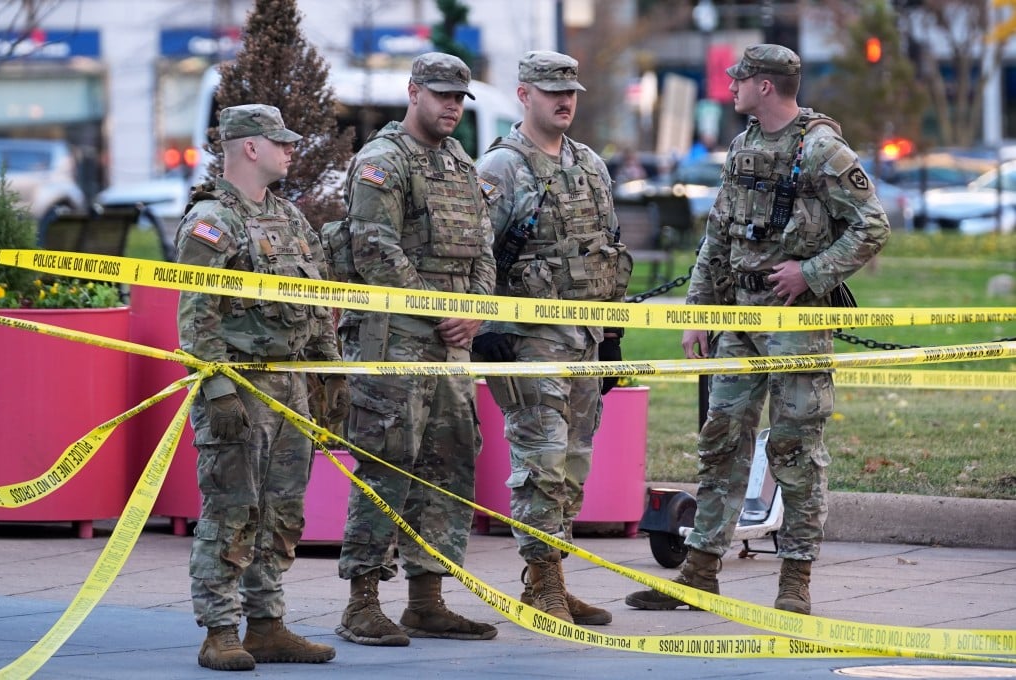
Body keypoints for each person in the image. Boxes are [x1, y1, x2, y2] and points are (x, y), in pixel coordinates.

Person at [625, 44, 890, 615]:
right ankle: (699, 573)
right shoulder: (744, 146)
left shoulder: (822, 149)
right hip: (739, 318)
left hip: (794, 321)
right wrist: (700, 311)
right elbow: (719, 234)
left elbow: (871, 226)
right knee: (720, 441)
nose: (730, 85)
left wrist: (810, 272)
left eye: (738, 78)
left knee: (795, 448)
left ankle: (793, 582)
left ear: (764, 85)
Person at [320, 52, 498, 647]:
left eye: (458, 98)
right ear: (413, 92)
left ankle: (427, 598)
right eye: (441, 95)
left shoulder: (458, 162)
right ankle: (362, 601)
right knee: (387, 464)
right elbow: (375, 251)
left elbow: (483, 249)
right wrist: (439, 310)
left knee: (448, 464)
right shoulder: (382, 161)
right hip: (395, 341)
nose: (451, 106)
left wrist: (473, 311)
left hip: (451, 348)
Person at [175, 104, 347, 671]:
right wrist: (217, 391)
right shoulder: (212, 220)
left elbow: (320, 302)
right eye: (282, 141)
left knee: (282, 511)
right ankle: (220, 630)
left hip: (291, 385)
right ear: (250, 147)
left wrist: (329, 371)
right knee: (232, 509)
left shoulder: (290, 219)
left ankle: (267, 623)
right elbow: (196, 316)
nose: (290, 150)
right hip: (240, 386)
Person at [473, 50, 632, 626]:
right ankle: (544, 584)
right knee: (540, 462)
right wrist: (488, 328)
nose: (564, 101)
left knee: (573, 464)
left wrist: (612, 336)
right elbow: (475, 256)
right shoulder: (500, 168)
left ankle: (552, 577)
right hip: (529, 341)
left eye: (571, 92)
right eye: (551, 92)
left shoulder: (590, 164)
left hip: (584, 339)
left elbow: (607, 253)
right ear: (524, 96)